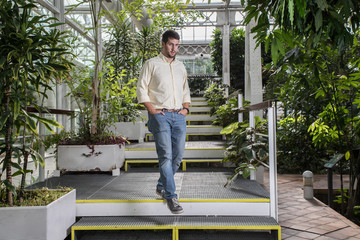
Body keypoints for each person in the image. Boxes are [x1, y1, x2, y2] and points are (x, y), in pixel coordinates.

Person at [136, 30, 191, 214]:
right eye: (170, 44)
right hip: (160, 116)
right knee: (166, 155)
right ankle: (171, 196)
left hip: (179, 116)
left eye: (177, 45)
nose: (174, 48)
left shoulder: (181, 66)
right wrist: (153, 111)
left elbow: (185, 91)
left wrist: (185, 109)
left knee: (178, 155)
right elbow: (141, 88)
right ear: (163, 44)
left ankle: (161, 185)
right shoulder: (151, 64)